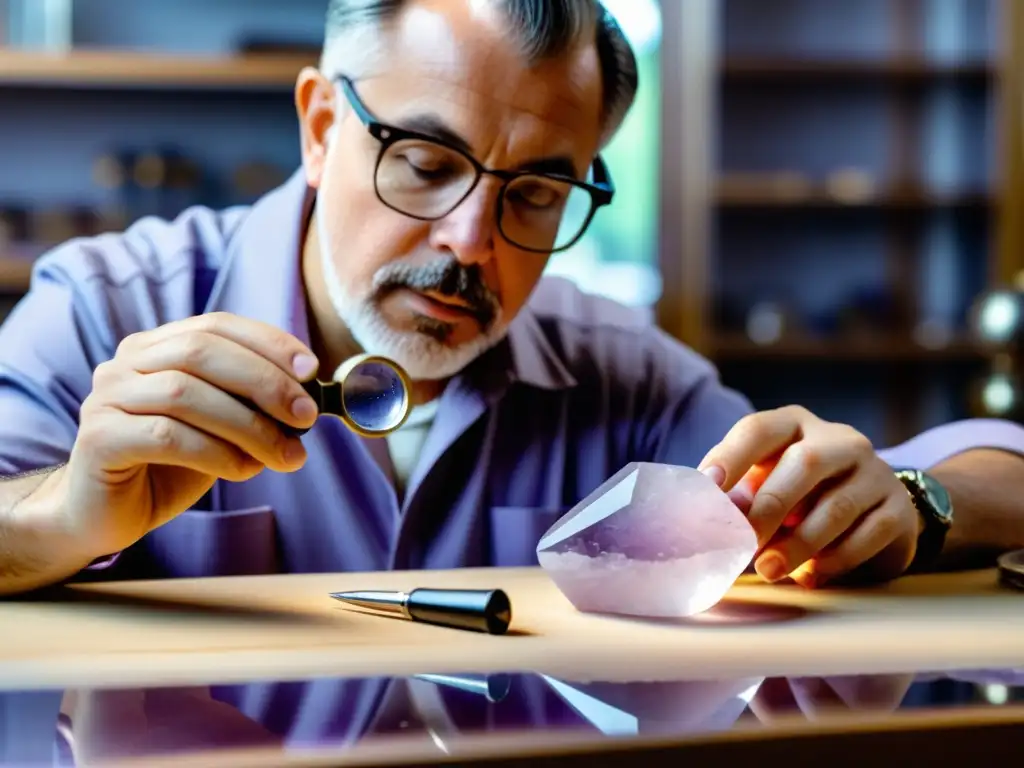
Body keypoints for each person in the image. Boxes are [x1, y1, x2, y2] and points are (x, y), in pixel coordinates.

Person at [0, 0, 1022, 599]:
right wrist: (66, 513)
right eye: (425, 161)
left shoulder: (615, 371)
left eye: (534, 192)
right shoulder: (109, 305)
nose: (469, 243)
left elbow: (995, 474)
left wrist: (909, 504)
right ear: (320, 128)